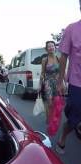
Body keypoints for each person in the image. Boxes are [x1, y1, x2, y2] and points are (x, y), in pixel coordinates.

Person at [55, 1, 81, 155]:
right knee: (73, 118)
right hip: (77, 84)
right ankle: (64, 134)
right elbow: (63, 57)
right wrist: (60, 81)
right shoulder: (72, 29)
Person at [39, 41, 60, 124]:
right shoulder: (45, 60)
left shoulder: (59, 58)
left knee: (56, 102)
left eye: (52, 46)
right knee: (50, 102)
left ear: (55, 47)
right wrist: (40, 83)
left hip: (57, 83)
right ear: (46, 49)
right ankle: (49, 119)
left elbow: (62, 72)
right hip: (48, 83)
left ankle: (54, 117)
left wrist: (65, 82)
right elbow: (42, 73)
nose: (51, 48)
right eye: (49, 46)